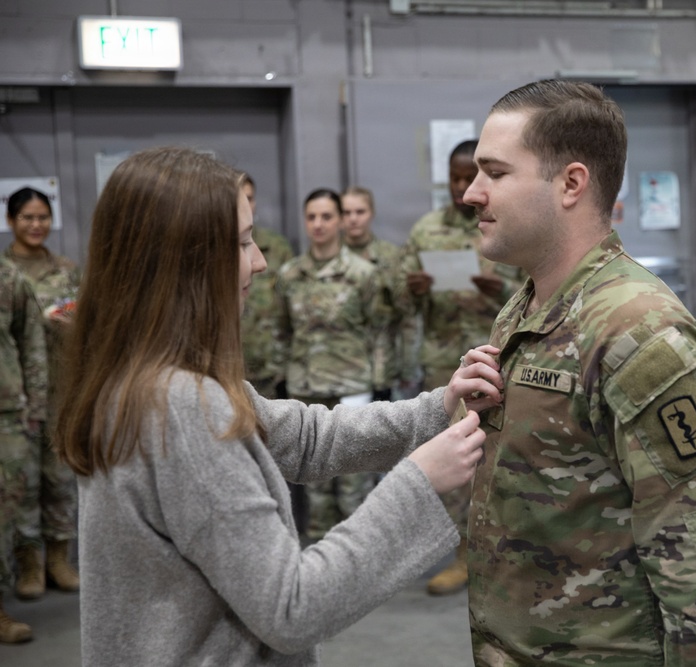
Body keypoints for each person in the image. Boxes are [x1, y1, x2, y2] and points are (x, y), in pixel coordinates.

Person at [53, 146, 495, 665]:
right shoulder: (178, 407)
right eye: (243, 243)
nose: (260, 262)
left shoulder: (148, 374)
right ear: (186, 262)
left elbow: (302, 437)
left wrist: (436, 408)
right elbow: (293, 607)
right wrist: (418, 482)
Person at [457, 79, 696, 664]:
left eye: (494, 173)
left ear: (571, 183)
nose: (472, 193)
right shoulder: (525, 308)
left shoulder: (638, 331)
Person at [400, 140, 524, 595]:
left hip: (495, 361)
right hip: (442, 365)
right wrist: (412, 288)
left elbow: (532, 286)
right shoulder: (426, 231)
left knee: (500, 457)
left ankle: (496, 551)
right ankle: (459, 554)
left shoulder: (504, 225)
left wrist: (498, 290)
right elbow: (395, 299)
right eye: (452, 179)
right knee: (453, 461)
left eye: (465, 177)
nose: (459, 187)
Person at [276, 189, 390, 539]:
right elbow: (283, 330)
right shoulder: (290, 274)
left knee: (355, 485)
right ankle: (321, 572)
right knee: (315, 484)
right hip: (306, 388)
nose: (318, 224)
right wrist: (283, 379)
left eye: (326, 217)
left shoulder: (362, 274)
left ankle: (361, 562)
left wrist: (380, 381)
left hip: (351, 388)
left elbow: (378, 331)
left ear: (340, 221)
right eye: (311, 217)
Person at [4, 187, 81, 601]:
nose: (36, 225)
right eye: (27, 218)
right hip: (13, 396)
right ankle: (29, 564)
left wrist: (75, 322)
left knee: (59, 477)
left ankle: (58, 559)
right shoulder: (4, 271)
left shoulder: (66, 270)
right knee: (22, 483)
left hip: (60, 390)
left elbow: (91, 318)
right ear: (11, 221)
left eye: (43, 217)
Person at [0, 255, 47, 644]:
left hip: (5, 416)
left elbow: (31, 342)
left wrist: (35, 405)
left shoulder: (8, 277)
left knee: (3, 512)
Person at [341, 186, 410, 401]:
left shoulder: (390, 256)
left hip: (384, 360)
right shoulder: (332, 257)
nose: (353, 219)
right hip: (342, 361)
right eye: (346, 212)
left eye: (360, 212)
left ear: (371, 213)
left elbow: (405, 312)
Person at [239, 174, 295, 401]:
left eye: (249, 197)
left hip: (267, 369)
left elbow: (290, 309)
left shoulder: (277, 247)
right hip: (226, 364)